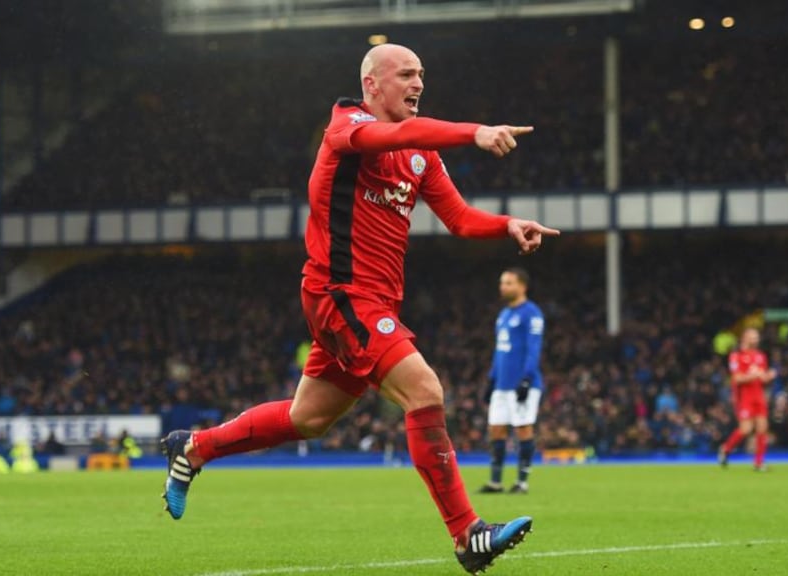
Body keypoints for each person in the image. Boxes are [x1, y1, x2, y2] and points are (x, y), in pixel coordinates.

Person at [160, 43, 558, 573]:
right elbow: (394, 134)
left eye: (423, 75)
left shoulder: (420, 156)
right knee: (424, 390)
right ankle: (467, 535)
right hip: (340, 294)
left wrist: (505, 224)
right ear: (373, 84)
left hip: (371, 302)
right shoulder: (347, 126)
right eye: (407, 74)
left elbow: (459, 218)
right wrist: (474, 132)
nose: (419, 84)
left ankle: (195, 448)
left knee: (309, 418)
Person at [479, 268, 545, 495]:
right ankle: (496, 482)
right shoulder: (504, 315)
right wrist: (491, 379)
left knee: (523, 428)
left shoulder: (531, 313)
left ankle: (522, 482)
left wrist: (526, 378)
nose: (503, 287)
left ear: (522, 286)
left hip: (522, 383)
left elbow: (533, 349)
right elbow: (500, 352)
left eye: (508, 283)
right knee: (496, 429)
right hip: (501, 384)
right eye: (502, 282)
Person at [718, 328, 777, 471]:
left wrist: (768, 376)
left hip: (759, 395)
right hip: (744, 397)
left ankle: (758, 463)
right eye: (753, 337)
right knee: (745, 429)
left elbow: (762, 378)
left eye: (757, 337)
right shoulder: (736, 356)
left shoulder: (760, 356)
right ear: (744, 338)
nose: (756, 339)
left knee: (763, 428)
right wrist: (753, 375)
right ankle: (726, 449)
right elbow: (736, 378)